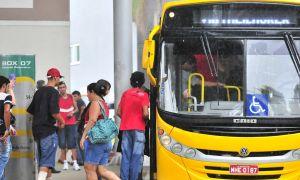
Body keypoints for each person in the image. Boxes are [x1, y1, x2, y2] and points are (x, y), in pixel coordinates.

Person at [27, 68, 65, 180]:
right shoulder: (54, 92)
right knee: (46, 162)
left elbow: (31, 110)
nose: (59, 79)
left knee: (44, 162)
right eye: (59, 77)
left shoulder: (38, 92)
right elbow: (54, 112)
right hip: (48, 131)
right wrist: (62, 122)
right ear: (54, 77)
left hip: (37, 131)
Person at [80, 81, 120, 180]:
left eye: (88, 93)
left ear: (93, 91)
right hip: (105, 142)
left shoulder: (95, 103)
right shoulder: (103, 103)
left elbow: (92, 120)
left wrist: (83, 136)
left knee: (89, 169)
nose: (88, 95)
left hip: (96, 141)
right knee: (101, 171)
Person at [117, 71, 150, 180]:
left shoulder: (125, 94)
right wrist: (145, 120)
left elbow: (118, 112)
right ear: (142, 82)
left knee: (126, 156)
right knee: (136, 156)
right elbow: (145, 113)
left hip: (125, 128)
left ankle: (124, 178)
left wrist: (127, 118)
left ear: (131, 81)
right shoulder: (144, 95)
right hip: (139, 129)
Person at [57, 82, 80, 171]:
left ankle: (75, 163)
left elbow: (76, 109)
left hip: (71, 123)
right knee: (62, 144)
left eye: (63, 87)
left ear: (66, 87)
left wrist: (72, 113)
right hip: (61, 124)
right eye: (60, 87)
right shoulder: (57, 98)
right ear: (58, 89)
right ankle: (65, 163)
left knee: (72, 144)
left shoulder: (71, 97)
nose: (62, 89)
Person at [0, 76, 13, 180]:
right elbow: (7, 111)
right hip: (3, 133)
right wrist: (8, 129)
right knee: (4, 156)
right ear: (4, 85)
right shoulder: (6, 96)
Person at [72, 90, 86, 165]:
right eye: (73, 96)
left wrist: (79, 119)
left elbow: (83, 109)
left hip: (78, 125)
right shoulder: (78, 102)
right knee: (79, 142)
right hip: (79, 125)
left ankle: (81, 160)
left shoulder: (80, 101)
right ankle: (81, 160)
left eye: (75, 96)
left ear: (79, 96)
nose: (74, 98)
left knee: (77, 142)